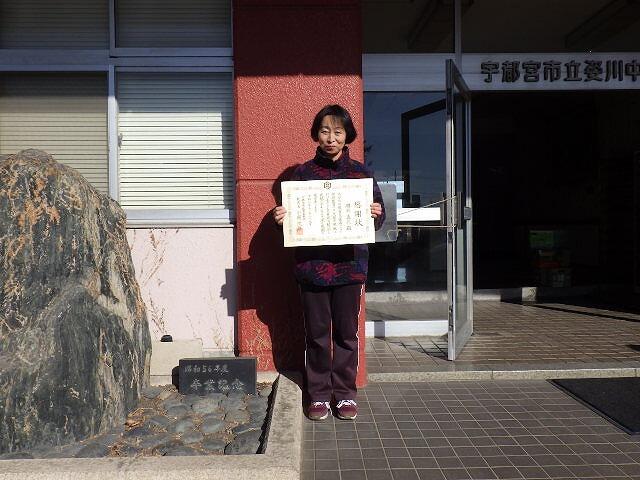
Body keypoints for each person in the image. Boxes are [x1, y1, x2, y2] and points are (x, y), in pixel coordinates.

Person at [273, 104, 385, 421]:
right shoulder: (302, 174)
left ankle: (345, 393)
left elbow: (377, 219)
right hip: (312, 268)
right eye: (325, 131)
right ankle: (319, 394)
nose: (331, 138)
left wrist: (376, 213)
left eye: (337, 132)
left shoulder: (361, 174)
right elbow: (289, 220)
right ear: (316, 135)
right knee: (317, 335)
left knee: (347, 335)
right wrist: (280, 218)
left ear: (347, 135)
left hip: (350, 268)